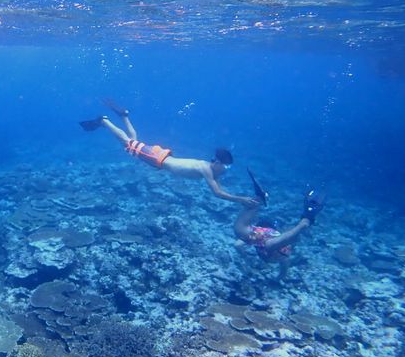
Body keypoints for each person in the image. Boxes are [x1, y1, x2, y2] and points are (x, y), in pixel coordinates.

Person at [80, 99, 257, 206]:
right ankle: (104, 121)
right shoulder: (206, 169)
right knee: (128, 143)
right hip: (158, 159)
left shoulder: (212, 171)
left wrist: (246, 200)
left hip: (160, 158)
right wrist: (241, 199)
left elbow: (221, 190)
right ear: (217, 162)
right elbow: (217, 193)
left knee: (133, 141)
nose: (226, 170)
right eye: (226, 166)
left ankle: (124, 116)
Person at [234, 169, 325, 264]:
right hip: (279, 252)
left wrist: (245, 257)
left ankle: (259, 199)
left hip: (276, 250)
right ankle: (259, 199)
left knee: (241, 231)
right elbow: (285, 240)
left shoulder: (263, 238)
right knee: (241, 231)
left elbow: (237, 245)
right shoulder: (270, 237)